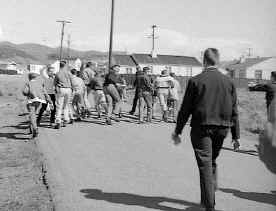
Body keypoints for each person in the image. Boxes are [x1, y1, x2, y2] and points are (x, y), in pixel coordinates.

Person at [171, 48, 240, 211]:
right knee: (210, 160)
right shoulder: (229, 81)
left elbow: (185, 109)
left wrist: (178, 131)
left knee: (205, 165)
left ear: (204, 61)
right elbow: (235, 110)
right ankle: (210, 191)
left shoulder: (196, 80)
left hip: (202, 128)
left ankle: (209, 205)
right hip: (223, 128)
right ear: (218, 60)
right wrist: (236, 136)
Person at [22, 72, 52, 138]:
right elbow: (45, 92)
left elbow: (24, 92)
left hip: (31, 100)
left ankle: (35, 128)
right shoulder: (39, 84)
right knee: (33, 114)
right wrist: (49, 101)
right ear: (35, 77)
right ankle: (31, 128)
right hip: (39, 100)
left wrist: (27, 94)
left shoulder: (28, 83)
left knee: (32, 114)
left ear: (29, 77)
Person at [54, 61, 73, 129]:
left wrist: (56, 90)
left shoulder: (58, 73)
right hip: (68, 89)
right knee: (66, 106)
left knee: (59, 106)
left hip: (61, 89)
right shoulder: (69, 73)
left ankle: (58, 121)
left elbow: (55, 83)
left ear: (60, 66)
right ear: (65, 66)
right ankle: (65, 119)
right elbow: (72, 82)